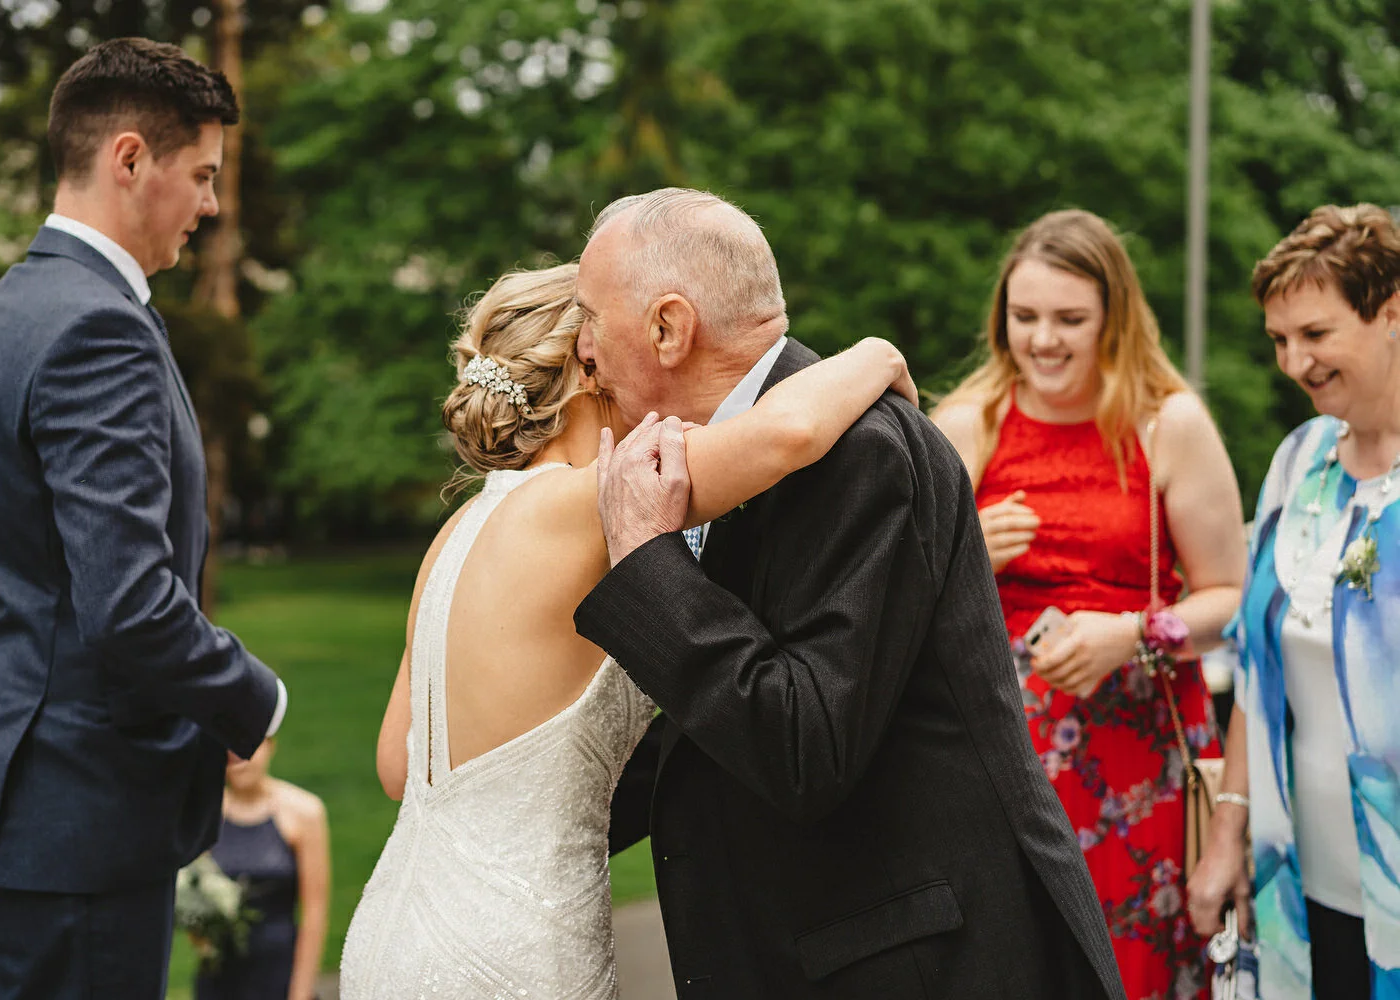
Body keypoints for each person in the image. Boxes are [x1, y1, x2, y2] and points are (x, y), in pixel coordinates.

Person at [574, 189, 1125, 999]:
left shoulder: (859, 455)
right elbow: (715, 714)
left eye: (590, 315)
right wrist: (546, 808)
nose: (581, 346)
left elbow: (805, 746)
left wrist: (649, 562)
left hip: (924, 962)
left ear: (669, 326)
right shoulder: (739, 453)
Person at [339, 261, 920, 999]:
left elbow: (399, 763)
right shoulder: (588, 507)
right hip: (515, 948)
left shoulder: (455, 533)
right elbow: (789, 433)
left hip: (393, 933)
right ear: (587, 368)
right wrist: (878, 354)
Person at [0, 38, 286, 1000]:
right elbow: (128, 607)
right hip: (79, 814)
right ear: (128, 159)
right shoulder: (96, 327)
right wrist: (252, 696)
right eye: (200, 175)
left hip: (30, 804)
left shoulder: (15, 303)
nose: (211, 203)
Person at [931, 209, 1245, 999]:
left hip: (1141, 766)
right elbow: (891, 600)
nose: (1044, 339)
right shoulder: (968, 425)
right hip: (996, 765)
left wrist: (1137, 633)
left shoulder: (1167, 423)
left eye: (1070, 319)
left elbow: (1233, 597)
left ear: (1114, 317)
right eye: (1025, 316)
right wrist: (962, 555)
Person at [1188, 203, 1400, 1000]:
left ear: (1390, 313)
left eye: (1314, 334)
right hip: (1296, 892)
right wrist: (1227, 833)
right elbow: (1253, 663)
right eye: (1279, 340)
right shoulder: (1299, 459)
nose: (1292, 361)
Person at [194, 740, 329, 1000]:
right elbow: (195, 888)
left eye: (246, 751)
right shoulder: (206, 812)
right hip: (219, 975)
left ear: (269, 746)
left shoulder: (304, 812)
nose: (239, 764)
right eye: (230, 756)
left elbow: (314, 911)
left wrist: (300, 993)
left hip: (278, 970)